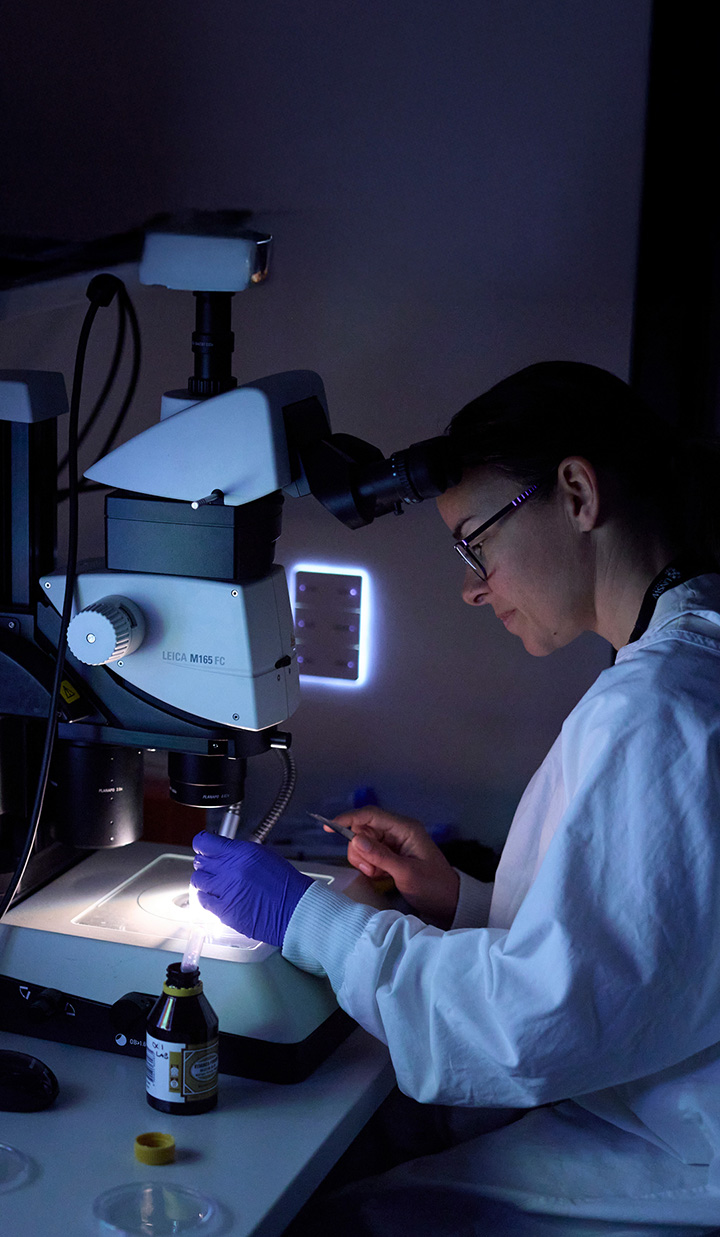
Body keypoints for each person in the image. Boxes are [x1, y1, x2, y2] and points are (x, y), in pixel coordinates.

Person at [192, 362, 720, 1235]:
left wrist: (308, 921)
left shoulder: (658, 709)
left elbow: (536, 1022)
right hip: (649, 1102)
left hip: (665, 1159)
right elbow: (647, 945)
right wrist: (463, 901)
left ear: (578, 493)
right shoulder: (681, 654)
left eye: (477, 542)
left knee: (328, 1214)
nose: (475, 586)